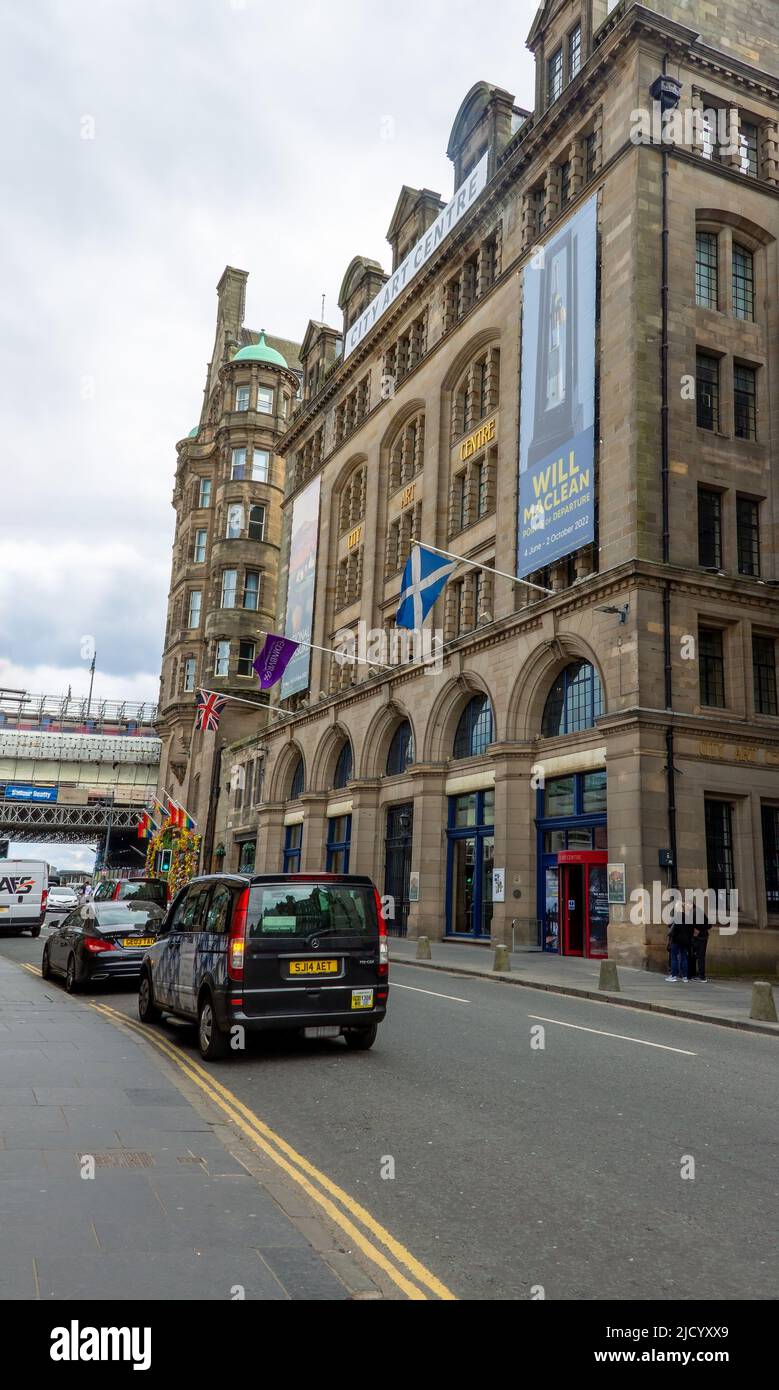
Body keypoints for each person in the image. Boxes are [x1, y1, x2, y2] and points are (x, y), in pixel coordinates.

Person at [666, 902, 692, 982]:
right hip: (685, 941)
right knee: (684, 958)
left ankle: (674, 976)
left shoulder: (676, 917)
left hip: (676, 940)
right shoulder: (688, 917)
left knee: (674, 958)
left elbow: (670, 926)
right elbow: (690, 930)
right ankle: (685, 977)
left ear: (677, 908)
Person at [691, 905, 712, 982]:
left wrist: (698, 930)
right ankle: (699, 975)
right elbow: (709, 925)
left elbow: (708, 925)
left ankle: (701, 976)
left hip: (700, 938)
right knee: (699, 956)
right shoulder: (698, 911)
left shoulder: (694, 912)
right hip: (703, 937)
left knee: (700, 957)